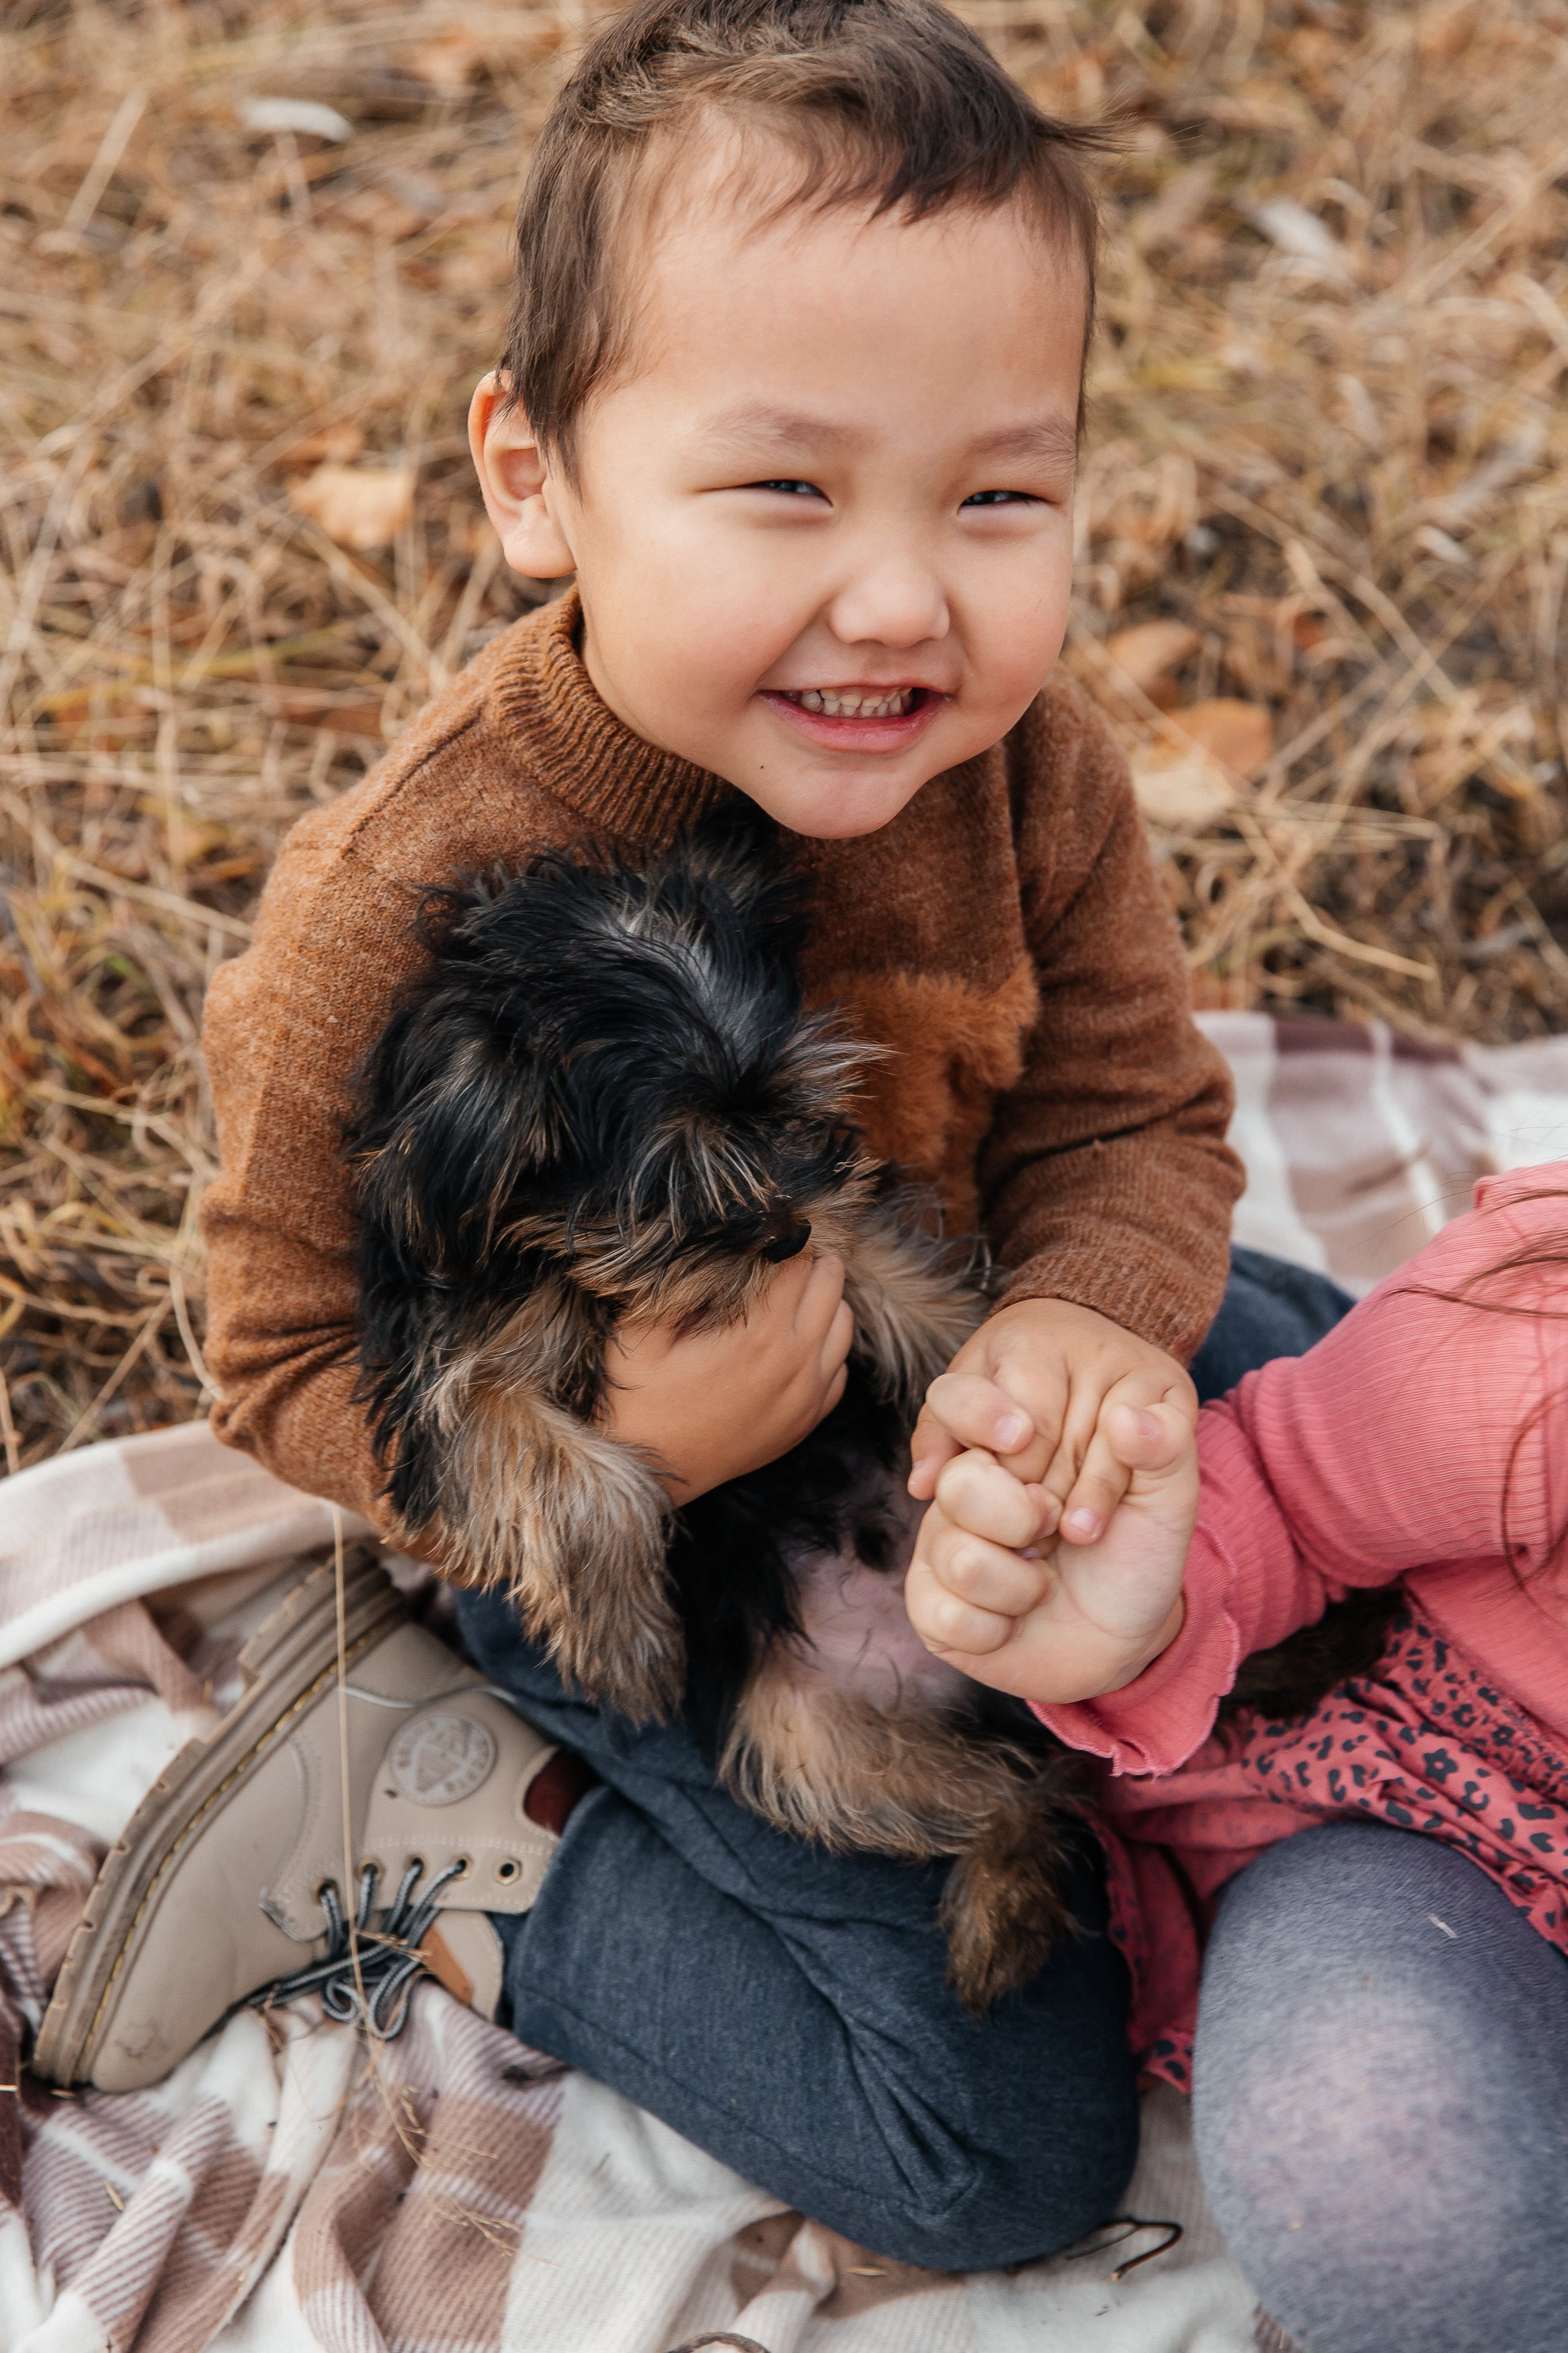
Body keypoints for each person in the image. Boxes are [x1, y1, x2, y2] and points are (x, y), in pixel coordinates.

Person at [144, 0, 1334, 2268]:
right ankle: (470, 1836)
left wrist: (1086, 1324)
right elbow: (282, 1358)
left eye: (999, 494)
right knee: (990, 2149)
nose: (901, 597)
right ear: (534, 483)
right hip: (645, 1548)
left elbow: (1132, 1119)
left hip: (969, 1346)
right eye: (785, 485)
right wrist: (642, 1446)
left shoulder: (1029, 766)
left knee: (1394, 1438)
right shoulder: (388, 898)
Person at [906, 1164, 1568, 2349]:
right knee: (1375, 2163)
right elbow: (1292, 1496)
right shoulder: (1535, 1346)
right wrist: (1135, 1620)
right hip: (1428, 1814)